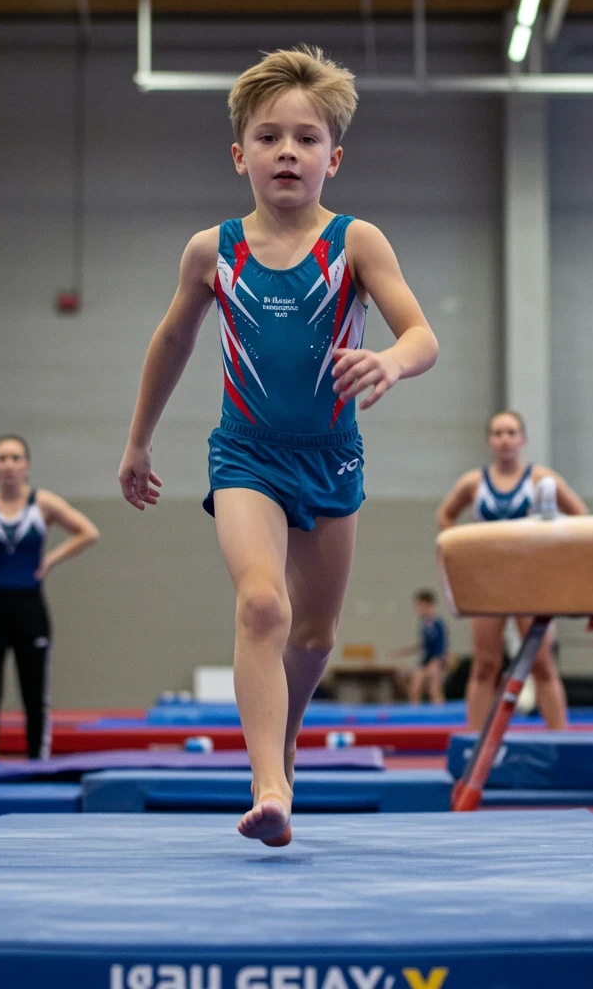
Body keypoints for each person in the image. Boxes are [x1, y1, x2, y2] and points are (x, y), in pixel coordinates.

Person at [118, 46, 439, 846]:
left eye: (305, 138)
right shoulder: (212, 251)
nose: (287, 152)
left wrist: (390, 362)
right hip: (246, 455)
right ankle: (269, 786)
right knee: (263, 602)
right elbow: (171, 343)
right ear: (240, 157)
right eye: (268, 138)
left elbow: (422, 334)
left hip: (332, 458)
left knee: (316, 635)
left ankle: (284, 746)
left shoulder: (357, 243)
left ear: (335, 156)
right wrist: (138, 444)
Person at [436, 410, 593, 731]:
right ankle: (475, 743)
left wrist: (556, 551)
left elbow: (581, 517)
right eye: (498, 433)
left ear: (523, 439)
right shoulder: (473, 483)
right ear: (490, 441)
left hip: (531, 580)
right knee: (486, 665)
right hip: (488, 582)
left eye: (511, 432)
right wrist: (465, 553)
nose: (505, 439)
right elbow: (445, 517)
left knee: (542, 664)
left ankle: (561, 740)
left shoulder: (543, 480)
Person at [0, 435, 99, 761]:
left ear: (26, 465)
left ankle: (38, 760)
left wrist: (51, 559)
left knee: (34, 692)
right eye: (2, 458)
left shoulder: (42, 503)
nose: (9, 465)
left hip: (29, 606)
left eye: (15, 458)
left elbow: (88, 532)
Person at [391, 590, 455, 704]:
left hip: (437, 661)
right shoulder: (423, 623)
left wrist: (438, 660)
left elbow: (442, 645)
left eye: (419, 605)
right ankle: (414, 715)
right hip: (426, 660)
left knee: (434, 690)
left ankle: (440, 714)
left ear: (427, 604)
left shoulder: (438, 623)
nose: (417, 608)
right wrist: (404, 651)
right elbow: (424, 645)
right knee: (415, 688)